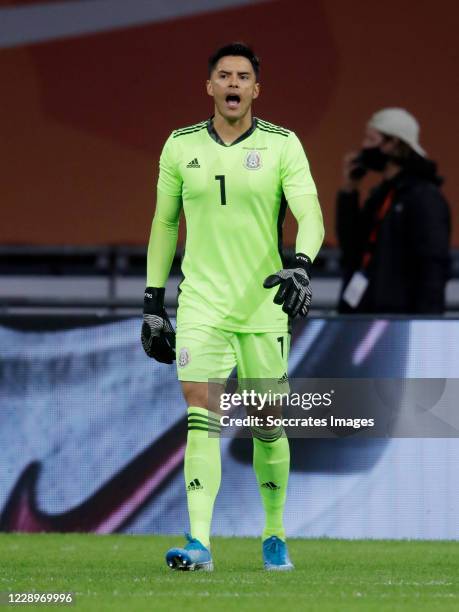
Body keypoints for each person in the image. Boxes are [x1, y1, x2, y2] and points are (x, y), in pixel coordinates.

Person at [141, 42, 324, 571]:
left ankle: (274, 532)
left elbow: (309, 212)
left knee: (269, 421)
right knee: (203, 412)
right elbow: (164, 224)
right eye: (224, 76)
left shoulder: (283, 145)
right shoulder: (179, 147)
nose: (233, 84)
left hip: (264, 303)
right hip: (202, 303)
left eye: (243, 76)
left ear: (256, 90)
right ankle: (199, 542)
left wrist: (303, 265)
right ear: (210, 87)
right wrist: (154, 301)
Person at [336, 107, 450, 314]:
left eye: (371, 139)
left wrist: (428, 323)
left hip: (398, 319)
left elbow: (433, 267)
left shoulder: (424, 197)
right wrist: (349, 190)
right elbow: (351, 245)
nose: (364, 146)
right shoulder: (382, 194)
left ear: (393, 143)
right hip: (364, 312)